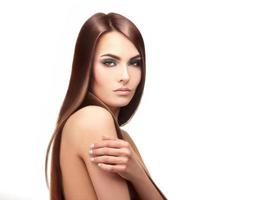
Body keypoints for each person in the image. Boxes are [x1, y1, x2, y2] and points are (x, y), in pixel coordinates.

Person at [45, 12, 167, 200]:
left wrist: (138, 174)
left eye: (135, 63)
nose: (125, 76)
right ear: (86, 67)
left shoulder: (122, 138)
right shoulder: (94, 119)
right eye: (109, 62)